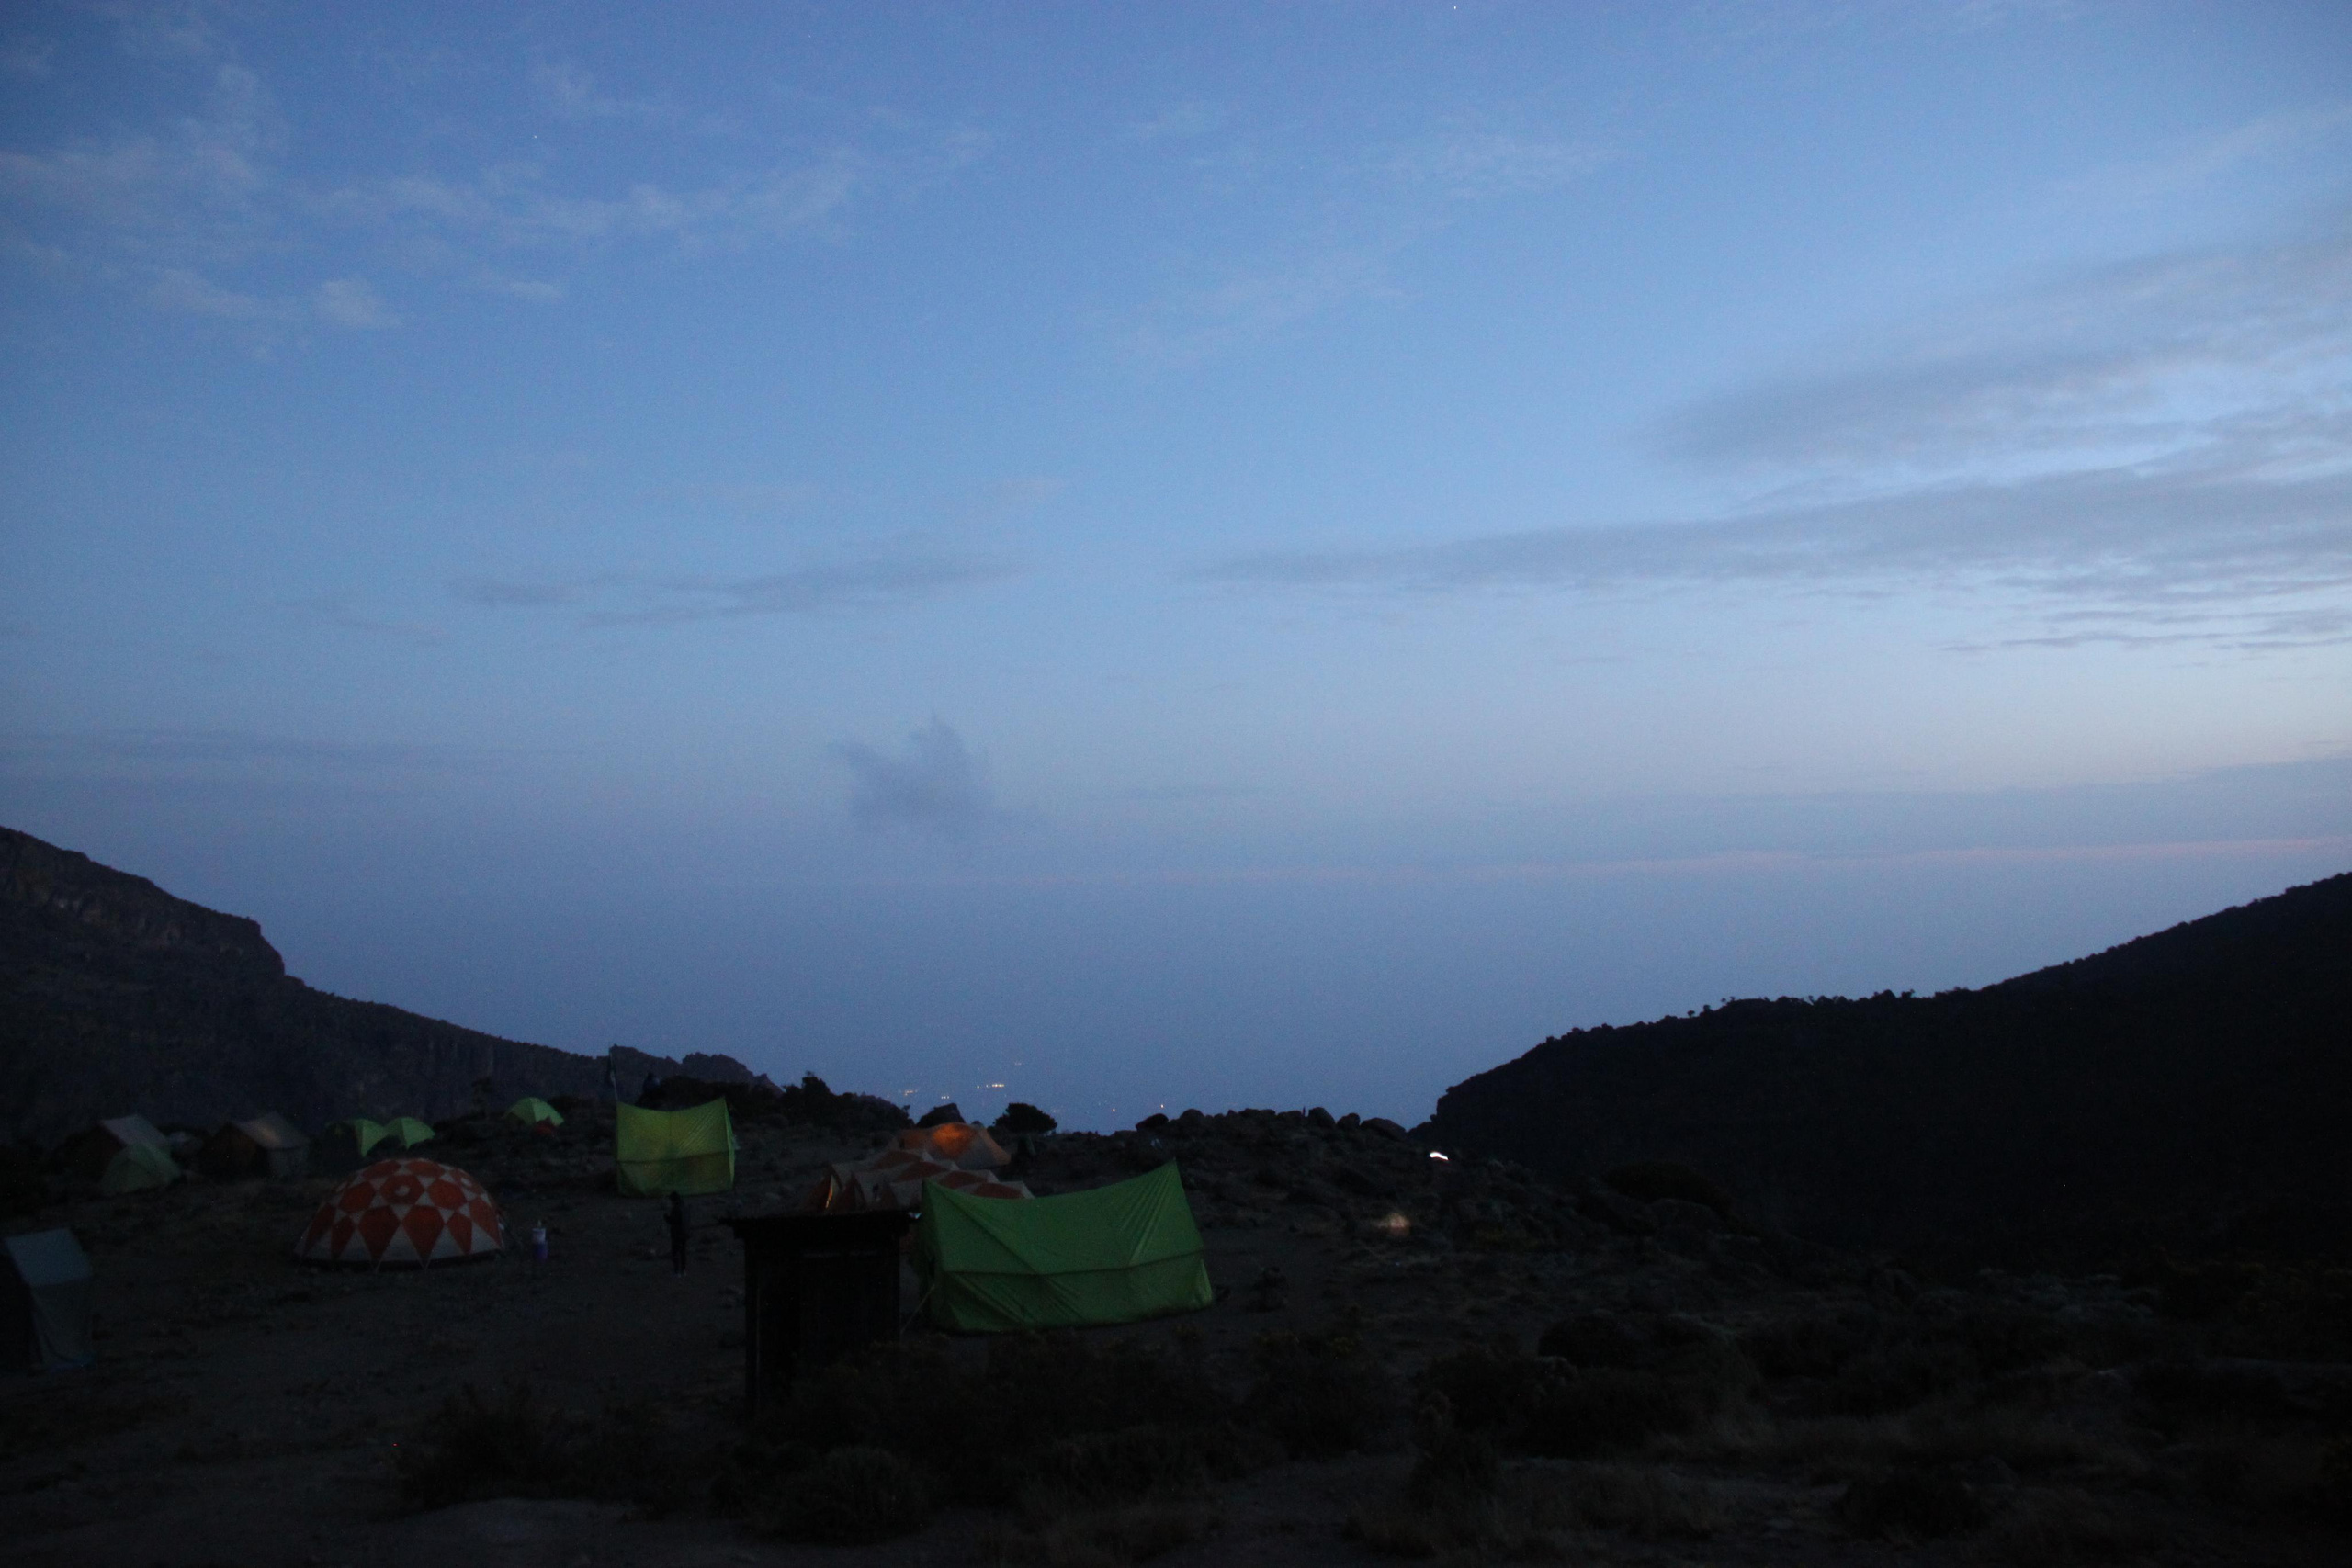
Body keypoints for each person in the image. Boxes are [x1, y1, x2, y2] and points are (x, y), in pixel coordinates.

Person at [665, 1190, 689, 1276]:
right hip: (685, 1233)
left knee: (675, 1252)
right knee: (683, 1252)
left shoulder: (676, 1209)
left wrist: (666, 1218)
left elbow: (674, 1221)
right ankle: (683, 1270)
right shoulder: (685, 1207)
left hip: (677, 1234)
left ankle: (677, 1271)